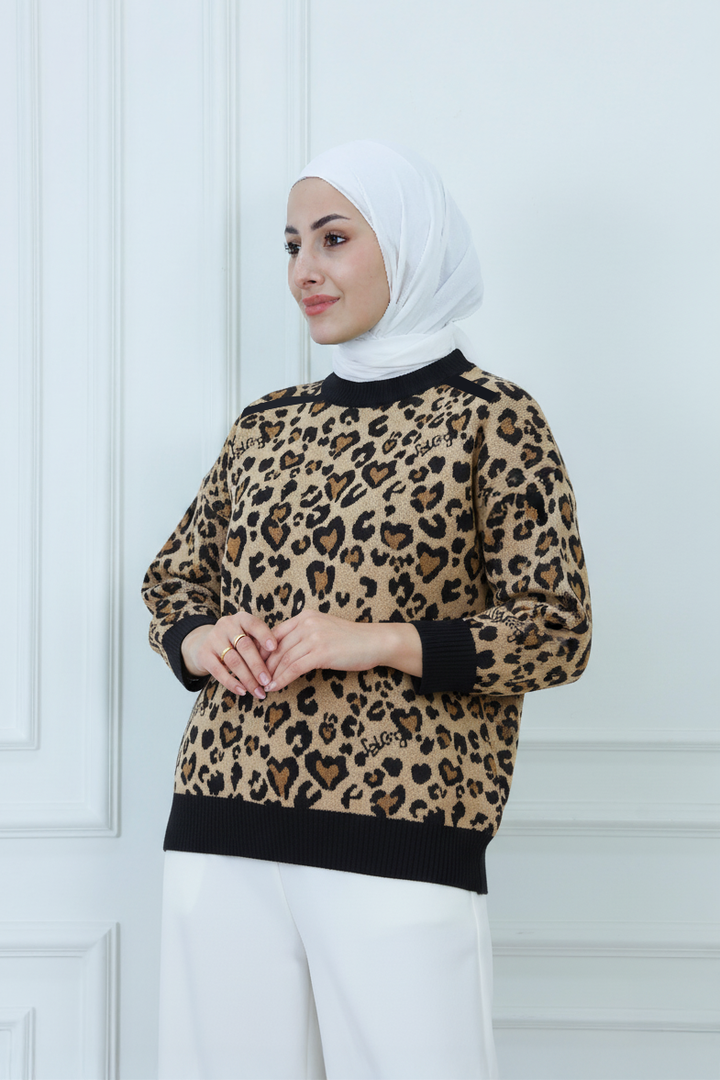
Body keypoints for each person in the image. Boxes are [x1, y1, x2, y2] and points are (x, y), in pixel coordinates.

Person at [142, 140, 592, 1080]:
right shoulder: (267, 423)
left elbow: (556, 630)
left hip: (401, 831)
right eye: (292, 245)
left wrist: (378, 641)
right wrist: (203, 638)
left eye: (334, 239)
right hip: (221, 819)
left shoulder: (492, 418)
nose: (304, 270)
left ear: (410, 243)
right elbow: (172, 583)